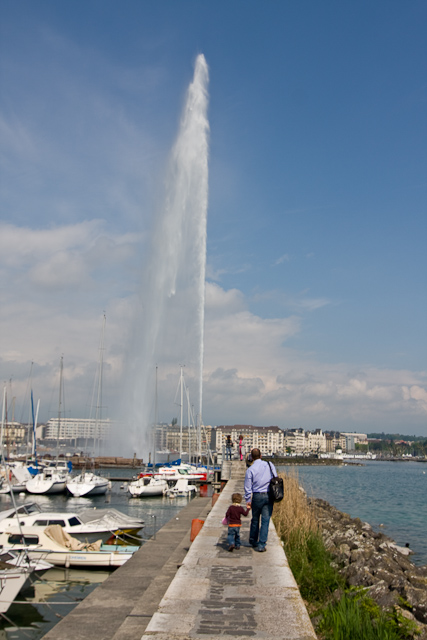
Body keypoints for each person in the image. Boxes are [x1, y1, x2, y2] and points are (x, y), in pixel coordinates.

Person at [244, 448, 277, 552]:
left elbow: (247, 487)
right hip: (268, 495)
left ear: (252, 458)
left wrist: (248, 499)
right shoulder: (269, 465)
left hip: (257, 495)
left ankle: (253, 540)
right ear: (261, 455)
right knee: (265, 520)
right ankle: (262, 544)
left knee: (255, 519)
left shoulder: (250, 470)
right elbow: (275, 477)